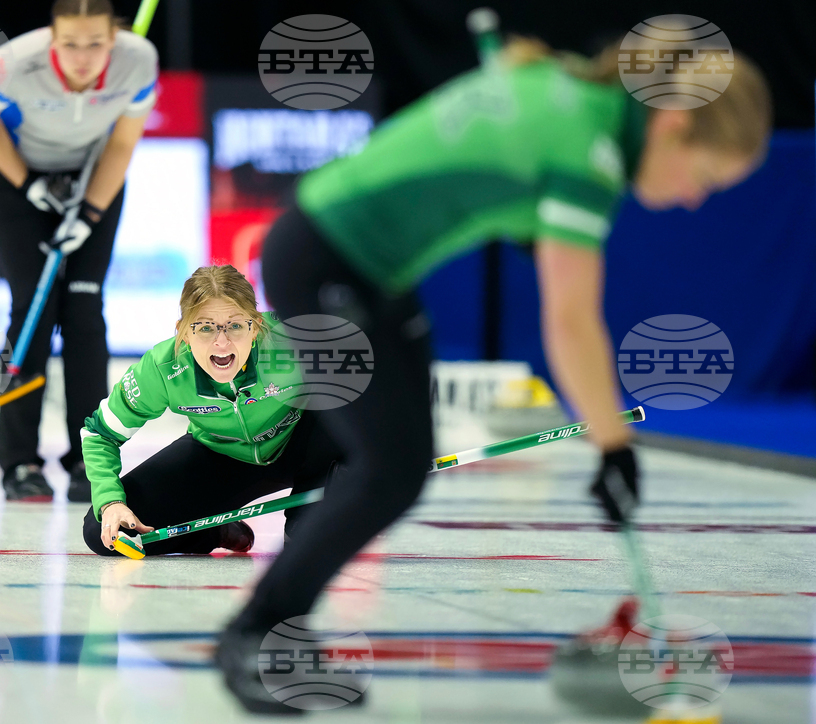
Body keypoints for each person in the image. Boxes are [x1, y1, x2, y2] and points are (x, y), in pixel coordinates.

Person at [215, 37, 773, 713]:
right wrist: (612, 447)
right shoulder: (589, 157)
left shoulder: (576, 94)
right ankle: (252, 636)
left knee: (397, 463)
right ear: (674, 123)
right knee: (386, 469)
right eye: (704, 177)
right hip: (326, 258)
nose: (692, 198)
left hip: (366, 267)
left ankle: (279, 632)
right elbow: (570, 322)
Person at [0, 0, 158, 502]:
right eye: (69, 44)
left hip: (94, 181)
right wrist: (30, 184)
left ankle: (86, 460)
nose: (82, 56)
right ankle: (19, 463)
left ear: (112, 40)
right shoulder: (14, 62)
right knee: (34, 304)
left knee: (84, 311)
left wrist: (90, 214)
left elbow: (121, 144)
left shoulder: (139, 60)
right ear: (53, 38)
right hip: (16, 181)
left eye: (95, 44)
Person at [80, 265, 341, 556]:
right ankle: (211, 531)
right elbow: (99, 433)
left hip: (302, 448)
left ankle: (307, 527)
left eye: (235, 326)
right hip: (221, 456)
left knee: (340, 406)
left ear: (255, 327)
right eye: (205, 327)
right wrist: (110, 501)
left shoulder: (293, 338)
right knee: (102, 532)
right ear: (183, 333)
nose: (221, 342)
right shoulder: (162, 368)